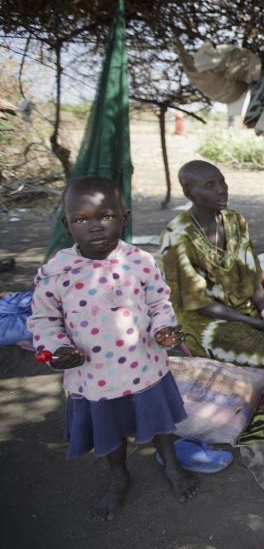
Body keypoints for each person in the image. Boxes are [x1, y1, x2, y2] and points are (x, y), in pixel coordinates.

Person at [27, 176, 199, 521]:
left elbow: (159, 302)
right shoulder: (56, 273)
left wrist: (164, 329)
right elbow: (43, 321)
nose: (94, 227)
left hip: (144, 366)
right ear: (67, 224)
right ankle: (119, 476)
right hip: (94, 376)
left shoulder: (140, 261)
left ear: (124, 217)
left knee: (160, 423)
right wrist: (58, 350)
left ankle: (171, 464)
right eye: (81, 219)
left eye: (105, 216)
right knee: (111, 431)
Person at [159, 160, 264, 374]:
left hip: (249, 309)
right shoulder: (178, 237)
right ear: (190, 193)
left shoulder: (234, 221)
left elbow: (252, 276)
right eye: (210, 185)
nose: (221, 190)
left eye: (222, 182)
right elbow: (200, 304)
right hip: (207, 322)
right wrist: (259, 325)